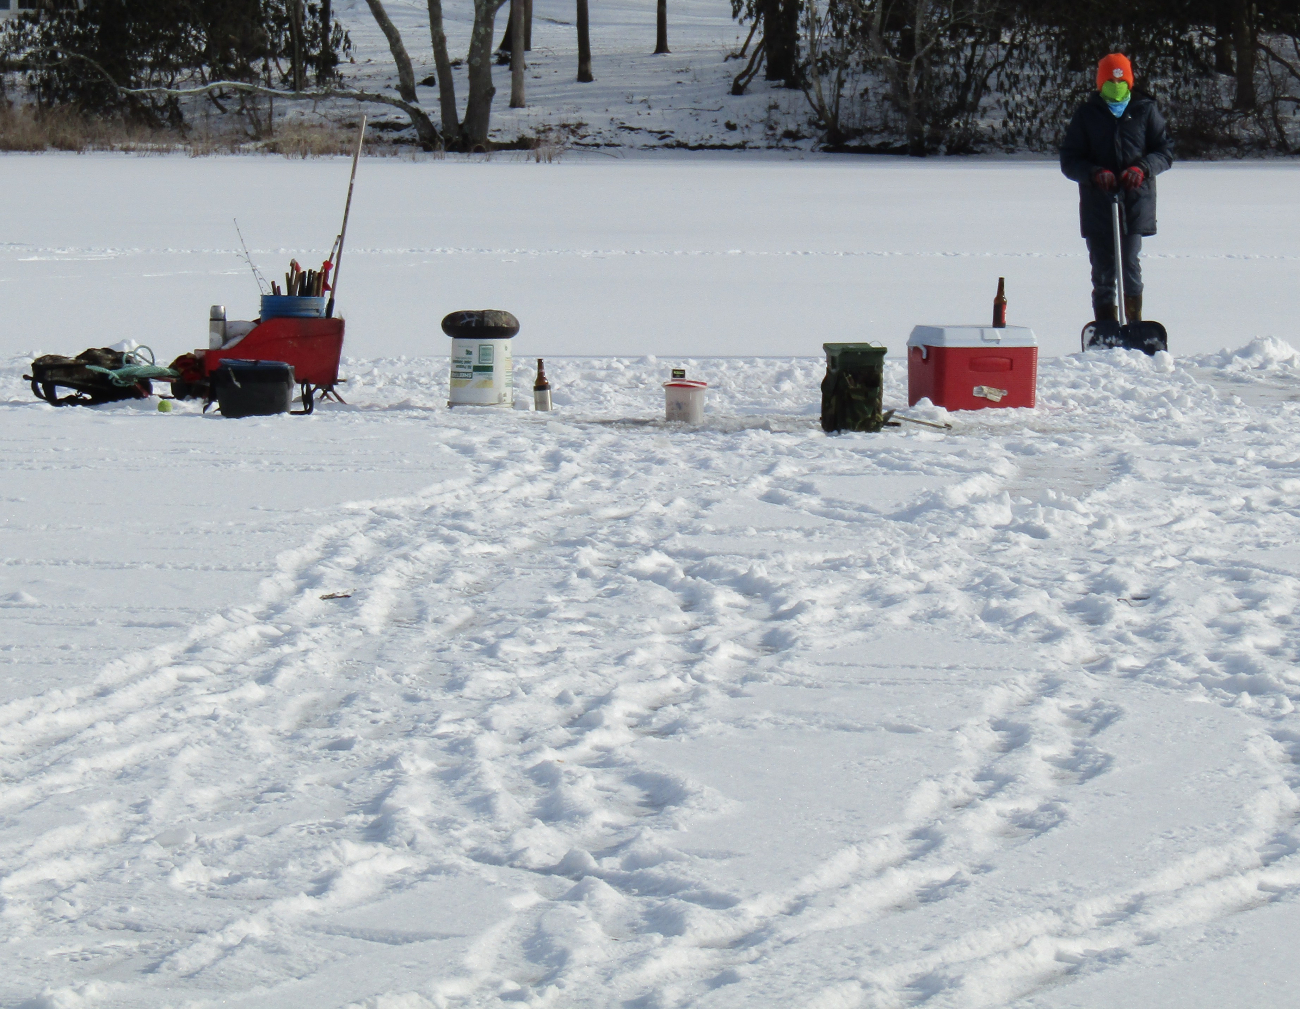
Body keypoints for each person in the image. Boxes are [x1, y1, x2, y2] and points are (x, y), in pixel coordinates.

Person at [1060, 53, 1174, 323]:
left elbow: (1165, 152)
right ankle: (1106, 326)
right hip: (1098, 204)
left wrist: (1142, 168)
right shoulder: (1087, 114)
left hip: (1135, 202)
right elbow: (1069, 159)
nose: (1116, 84)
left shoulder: (1145, 109)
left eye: (1121, 79)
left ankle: (1134, 324)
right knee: (1102, 270)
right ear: (1100, 82)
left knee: (1130, 266)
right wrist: (1094, 172)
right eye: (1110, 80)